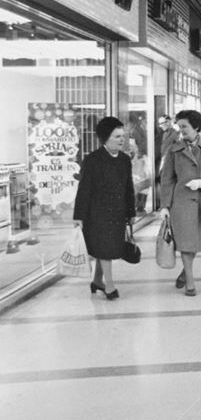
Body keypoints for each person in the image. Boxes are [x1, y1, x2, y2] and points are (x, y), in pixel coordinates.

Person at [159, 109, 201, 296]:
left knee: (194, 243)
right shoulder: (174, 150)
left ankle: (184, 271)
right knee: (186, 243)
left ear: (196, 126)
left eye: (184, 126)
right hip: (180, 203)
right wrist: (165, 205)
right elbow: (167, 179)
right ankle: (190, 282)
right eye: (178, 127)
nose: (181, 131)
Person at [73, 116, 135, 300]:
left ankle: (97, 281)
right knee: (106, 248)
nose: (122, 139)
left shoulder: (124, 159)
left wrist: (131, 212)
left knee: (105, 248)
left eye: (122, 136)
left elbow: (128, 188)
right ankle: (109, 286)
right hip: (97, 213)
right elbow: (84, 190)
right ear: (105, 138)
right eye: (117, 136)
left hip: (118, 212)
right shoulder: (92, 160)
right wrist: (79, 216)